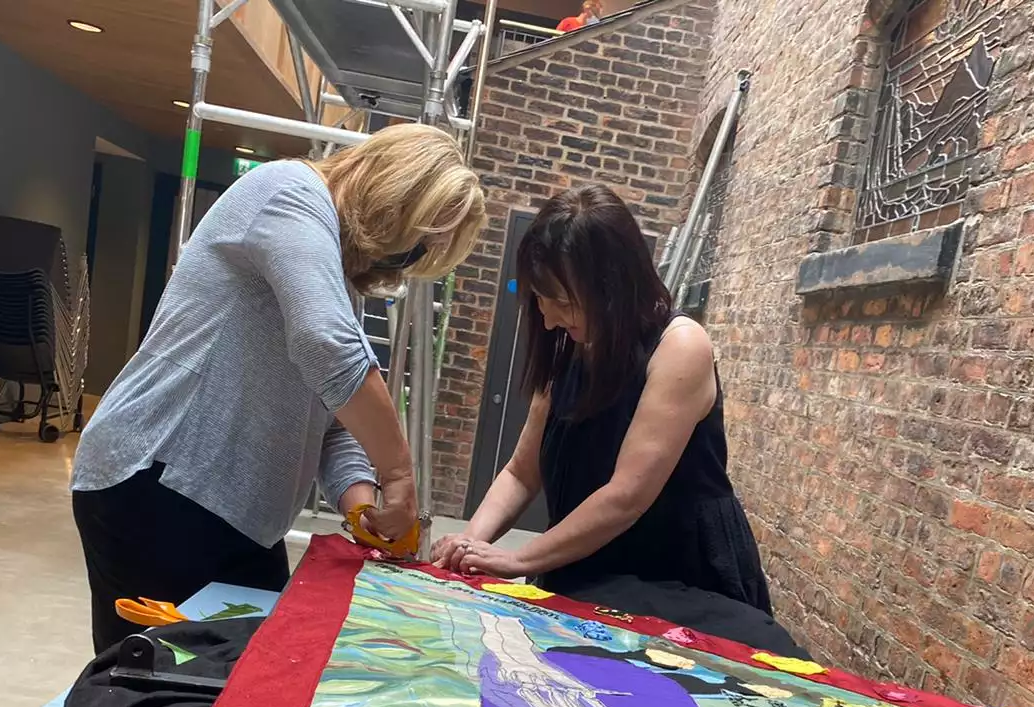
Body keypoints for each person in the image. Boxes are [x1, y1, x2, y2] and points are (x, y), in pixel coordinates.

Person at [71, 124, 485, 652]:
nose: (401, 263)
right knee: (159, 691)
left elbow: (334, 422)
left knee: (249, 679)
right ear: (391, 199)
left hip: (236, 514)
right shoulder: (287, 191)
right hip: (158, 483)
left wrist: (364, 508)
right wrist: (398, 474)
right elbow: (327, 346)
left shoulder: (332, 276)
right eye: (411, 247)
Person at [431, 184, 770, 614]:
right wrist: (472, 543)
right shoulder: (571, 348)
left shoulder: (681, 346)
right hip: (589, 562)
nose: (549, 318)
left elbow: (626, 495)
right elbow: (521, 473)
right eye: (539, 299)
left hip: (678, 573)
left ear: (614, 291)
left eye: (563, 302)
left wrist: (518, 560)